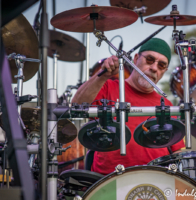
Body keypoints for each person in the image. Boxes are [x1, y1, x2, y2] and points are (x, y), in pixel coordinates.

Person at [72, 38, 185, 175]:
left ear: (164, 71)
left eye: (161, 65)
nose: (154, 68)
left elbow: (177, 151)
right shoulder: (107, 87)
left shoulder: (166, 105)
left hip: (155, 182)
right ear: (136, 58)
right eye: (149, 59)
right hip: (109, 182)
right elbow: (76, 106)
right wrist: (101, 76)